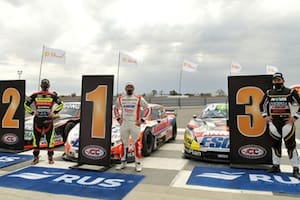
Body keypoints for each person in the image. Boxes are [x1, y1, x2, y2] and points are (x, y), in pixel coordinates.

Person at [260, 72, 300, 179]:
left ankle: (296, 168)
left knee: (291, 146)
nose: (276, 82)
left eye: (278, 80)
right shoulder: (269, 93)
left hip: (287, 123)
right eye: (275, 80)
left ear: (283, 80)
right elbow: (261, 105)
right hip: (273, 123)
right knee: (275, 145)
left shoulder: (290, 92)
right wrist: (265, 116)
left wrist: (295, 117)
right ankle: (276, 166)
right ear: (272, 81)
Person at [24, 79, 64, 165]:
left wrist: (54, 113)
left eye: (45, 85)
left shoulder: (52, 95)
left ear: (48, 86)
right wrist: (32, 112)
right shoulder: (35, 95)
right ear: (42, 86)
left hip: (48, 120)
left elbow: (61, 104)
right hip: (38, 120)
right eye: (43, 85)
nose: (44, 86)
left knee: (50, 140)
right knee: (36, 140)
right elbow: (25, 104)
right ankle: (36, 157)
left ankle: (50, 157)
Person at [113, 81, 150, 172]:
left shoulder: (138, 98)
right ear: (125, 88)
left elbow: (148, 108)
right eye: (128, 87)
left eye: (131, 87)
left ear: (133, 88)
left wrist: (142, 120)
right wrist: (118, 119)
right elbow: (115, 108)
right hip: (124, 123)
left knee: (136, 143)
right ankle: (123, 162)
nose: (129, 88)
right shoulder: (121, 98)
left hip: (135, 123)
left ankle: (138, 163)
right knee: (123, 143)